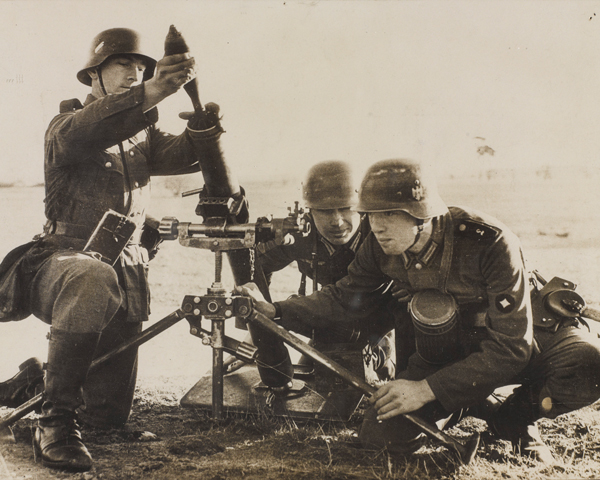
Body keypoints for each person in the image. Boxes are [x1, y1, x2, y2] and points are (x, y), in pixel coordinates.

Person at [237, 158, 600, 464]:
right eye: (370, 214)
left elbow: (511, 348)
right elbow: (345, 298)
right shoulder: (381, 243)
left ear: (420, 216)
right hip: (448, 348)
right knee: (382, 438)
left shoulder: (490, 242)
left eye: (388, 215)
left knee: (588, 362)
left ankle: (514, 420)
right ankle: (472, 401)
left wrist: (426, 389)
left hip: (522, 336)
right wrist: (277, 311)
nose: (374, 225)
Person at [0, 27, 225, 472]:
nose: (135, 73)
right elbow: (90, 130)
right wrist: (157, 87)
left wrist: (204, 129)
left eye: (141, 67)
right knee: (90, 273)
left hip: (124, 272)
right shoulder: (65, 126)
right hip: (63, 265)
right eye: (124, 64)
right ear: (94, 76)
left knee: (106, 417)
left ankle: (35, 380)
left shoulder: (140, 136)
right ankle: (54, 420)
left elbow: (182, 155)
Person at [244, 161, 395, 390]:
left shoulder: (377, 236)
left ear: (362, 209)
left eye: (345, 208)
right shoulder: (300, 234)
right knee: (317, 380)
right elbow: (257, 265)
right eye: (324, 211)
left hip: (375, 325)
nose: (336, 221)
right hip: (326, 320)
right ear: (309, 211)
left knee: (364, 378)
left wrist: (276, 311)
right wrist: (257, 332)